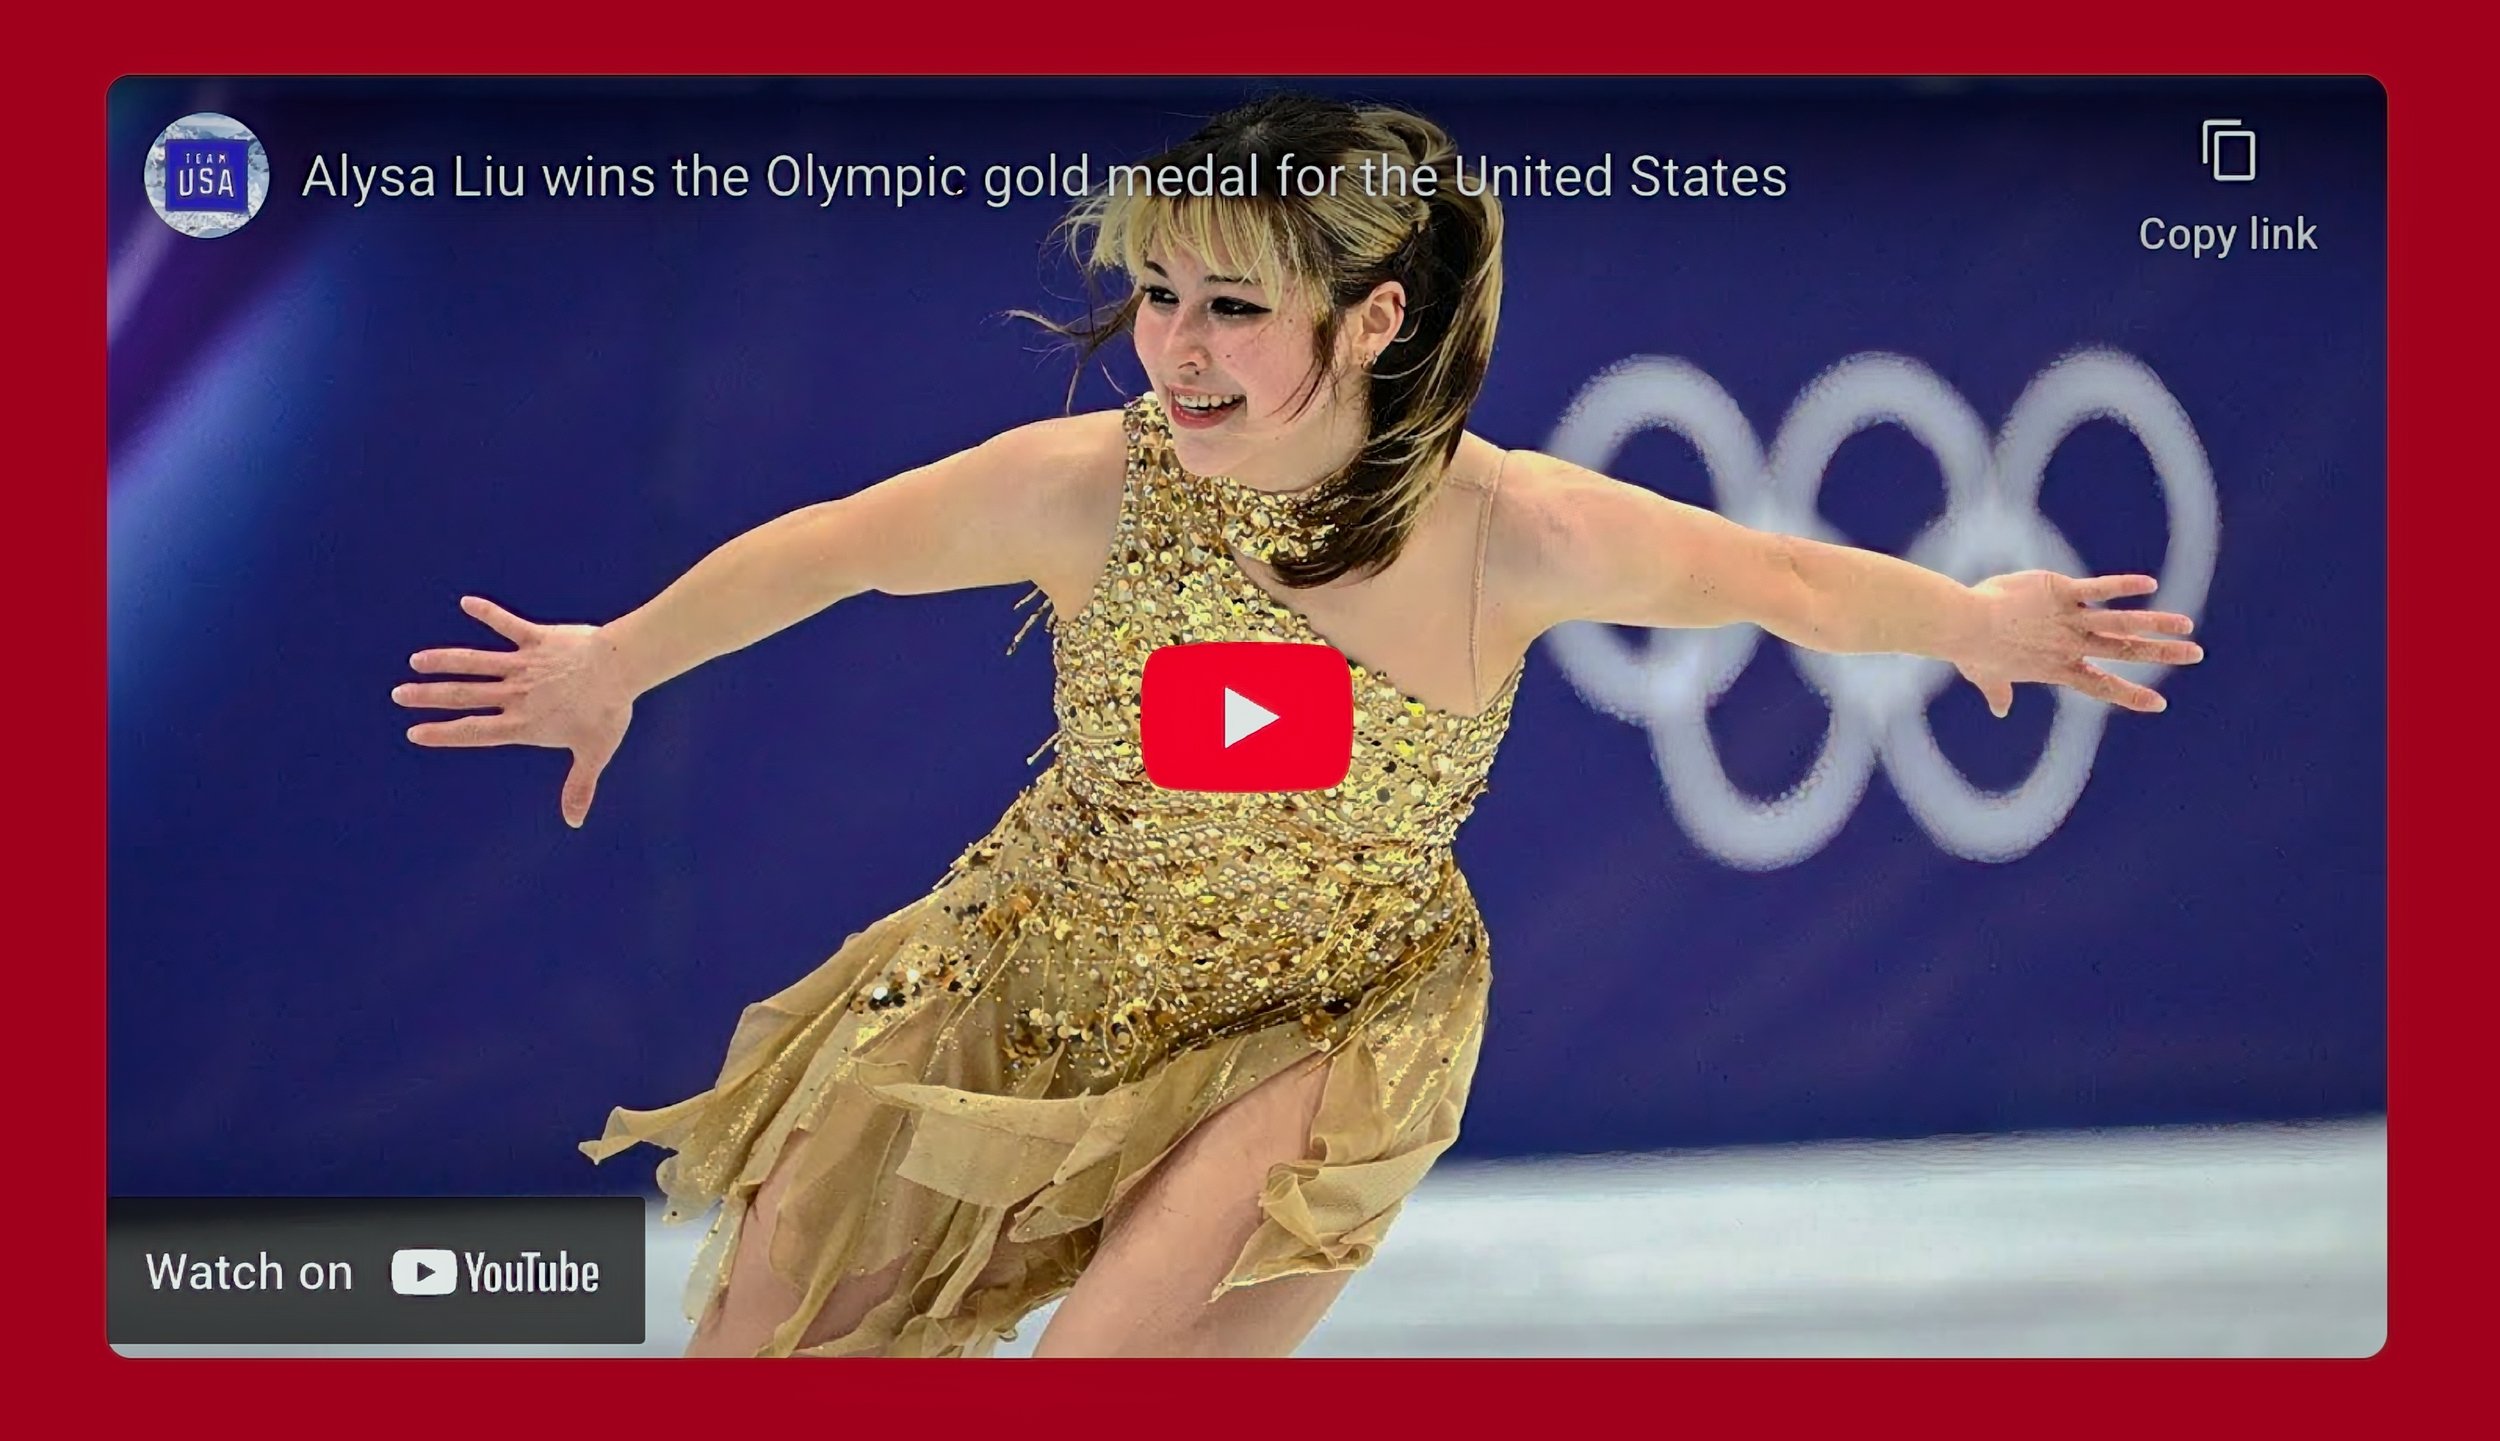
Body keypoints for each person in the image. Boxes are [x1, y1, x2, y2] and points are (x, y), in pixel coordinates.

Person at [393, 92, 2202, 1358]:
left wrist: (1977, 616)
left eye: (1234, 306)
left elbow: (1786, 586)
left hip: (1326, 1023)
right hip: (1025, 968)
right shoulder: (1093, 486)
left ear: (1371, 317)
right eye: (1162, 294)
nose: (1175, 345)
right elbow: (836, 551)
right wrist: (617, 656)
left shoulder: (1514, 530)